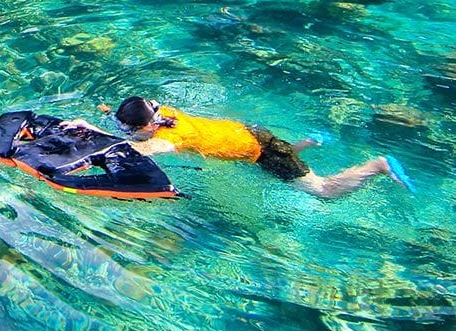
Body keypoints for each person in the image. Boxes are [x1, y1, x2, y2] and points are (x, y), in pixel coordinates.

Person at [63, 96, 415, 199]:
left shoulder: (169, 140)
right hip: (251, 133)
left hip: (261, 149)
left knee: (323, 191)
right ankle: (308, 142)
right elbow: (132, 130)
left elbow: (134, 150)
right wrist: (102, 120)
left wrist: (91, 130)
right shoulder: (162, 113)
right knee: (274, 155)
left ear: (146, 126)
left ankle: (378, 165)